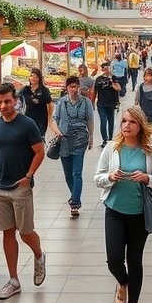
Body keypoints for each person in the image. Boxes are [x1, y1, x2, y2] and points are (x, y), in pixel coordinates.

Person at [94, 105, 152, 303]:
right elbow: (97, 177)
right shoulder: (112, 148)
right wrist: (110, 177)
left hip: (139, 214)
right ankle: (122, 283)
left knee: (135, 261)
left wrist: (146, 178)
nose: (126, 125)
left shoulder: (151, 152)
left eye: (132, 122)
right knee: (114, 260)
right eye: (124, 121)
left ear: (139, 126)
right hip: (114, 210)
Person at [0, 83, 47, 301]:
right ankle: (13, 280)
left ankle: (39, 255)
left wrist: (28, 176)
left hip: (21, 188)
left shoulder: (27, 125)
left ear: (16, 101)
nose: (3, 106)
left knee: (25, 232)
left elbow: (40, 151)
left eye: (7, 101)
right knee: (8, 233)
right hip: (0, 188)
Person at [50, 76, 95, 217]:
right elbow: (53, 120)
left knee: (77, 173)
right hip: (64, 140)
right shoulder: (61, 102)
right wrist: (57, 133)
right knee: (67, 173)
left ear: (79, 87)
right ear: (67, 88)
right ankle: (76, 197)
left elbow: (90, 120)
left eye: (76, 86)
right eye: (71, 86)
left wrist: (91, 137)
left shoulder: (86, 102)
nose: (73, 89)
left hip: (80, 139)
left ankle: (74, 202)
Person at [19, 68, 53, 139]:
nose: (33, 78)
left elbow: (49, 103)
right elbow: (17, 98)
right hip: (28, 118)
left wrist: (50, 119)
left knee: (38, 138)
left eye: (36, 77)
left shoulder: (44, 90)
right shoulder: (26, 89)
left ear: (39, 78)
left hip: (41, 120)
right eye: (31, 76)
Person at [94, 62, 121, 148]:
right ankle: (105, 139)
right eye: (104, 68)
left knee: (111, 121)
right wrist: (92, 101)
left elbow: (118, 88)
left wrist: (111, 81)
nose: (106, 70)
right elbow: (95, 91)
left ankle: (110, 138)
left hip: (111, 103)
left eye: (107, 68)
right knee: (103, 120)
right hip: (101, 104)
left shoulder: (113, 78)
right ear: (102, 69)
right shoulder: (98, 79)